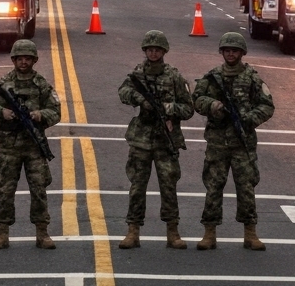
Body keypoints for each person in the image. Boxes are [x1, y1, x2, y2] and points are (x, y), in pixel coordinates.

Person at [192, 32, 275, 250]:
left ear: (241, 53)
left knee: (246, 187)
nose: (230, 54)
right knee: (213, 187)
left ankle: (250, 233)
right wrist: (212, 106)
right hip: (217, 142)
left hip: (243, 143)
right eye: (227, 50)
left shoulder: (252, 78)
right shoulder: (212, 77)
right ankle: (209, 233)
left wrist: (249, 120)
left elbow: (267, 105)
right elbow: (196, 99)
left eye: (234, 50)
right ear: (222, 52)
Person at [0, 39, 61, 250]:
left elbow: (56, 111)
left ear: (33, 60)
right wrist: (2, 112)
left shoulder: (42, 84)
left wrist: (39, 115)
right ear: (14, 60)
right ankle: (2, 233)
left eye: (27, 58)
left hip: (34, 147)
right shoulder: (3, 84)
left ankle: (42, 233)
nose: (23, 62)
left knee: (39, 190)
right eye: (20, 58)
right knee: (6, 191)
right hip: (10, 148)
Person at [116, 30, 193, 250]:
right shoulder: (137, 75)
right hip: (141, 139)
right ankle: (133, 230)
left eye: (157, 50)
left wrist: (169, 109)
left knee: (168, 186)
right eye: (149, 49)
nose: (153, 53)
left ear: (164, 51)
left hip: (165, 140)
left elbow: (188, 109)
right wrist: (140, 98)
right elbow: (123, 92)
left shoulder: (174, 77)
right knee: (137, 186)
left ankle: (173, 231)